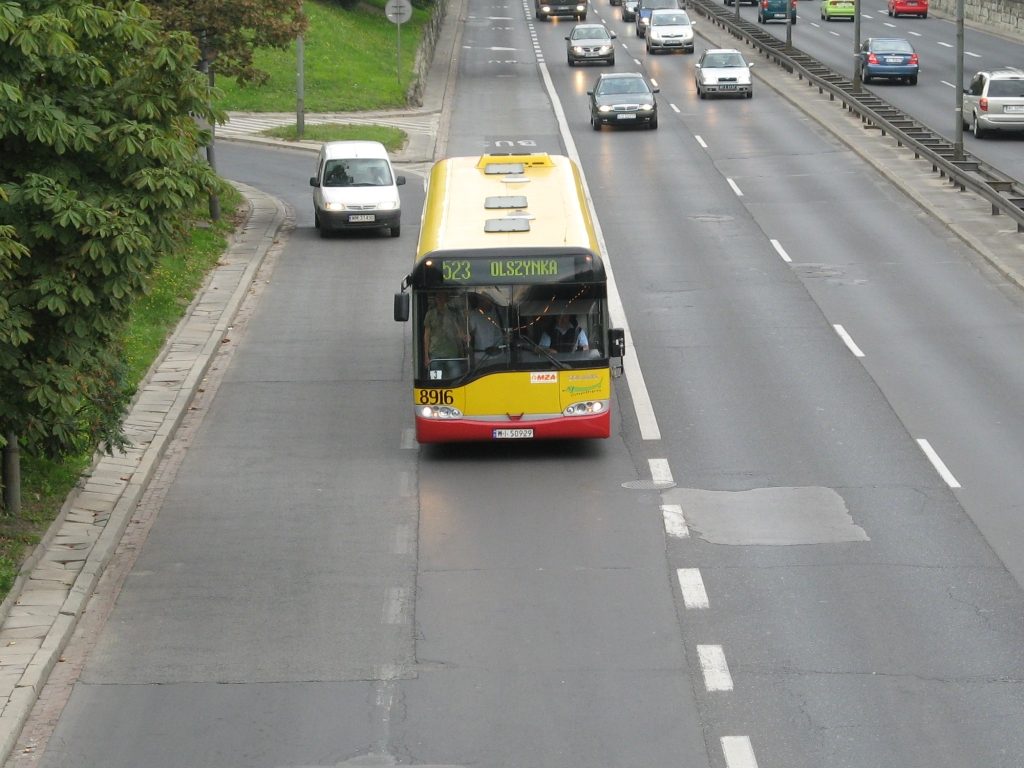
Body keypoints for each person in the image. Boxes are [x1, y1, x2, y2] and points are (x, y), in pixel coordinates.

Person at [423, 291, 469, 377]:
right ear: (435, 299)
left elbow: (459, 332)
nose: (440, 299)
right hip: (435, 353)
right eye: (438, 297)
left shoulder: (453, 315)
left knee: (456, 378)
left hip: (451, 353)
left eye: (442, 297)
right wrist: (426, 356)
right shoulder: (430, 314)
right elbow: (426, 336)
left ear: (446, 300)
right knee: (436, 381)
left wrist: (465, 337)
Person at [469, 294, 504, 359]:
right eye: (481, 300)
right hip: (481, 357)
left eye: (484, 300)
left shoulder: (499, 311)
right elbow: (469, 332)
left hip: (499, 355)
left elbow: (505, 329)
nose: (482, 303)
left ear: (491, 301)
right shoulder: (474, 314)